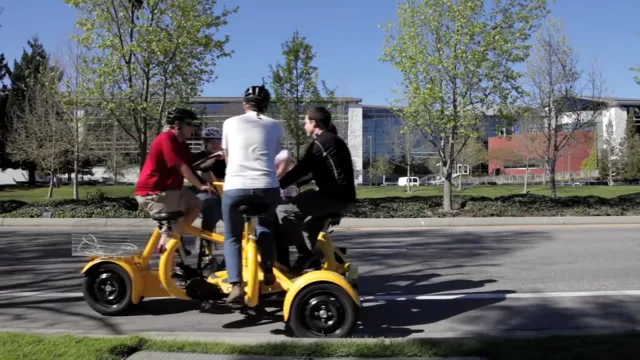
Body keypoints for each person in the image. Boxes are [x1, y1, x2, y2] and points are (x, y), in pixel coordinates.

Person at [221, 85, 284, 305]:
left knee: (231, 236)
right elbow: (275, 155)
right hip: (267, 187)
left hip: (236, 187)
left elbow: (228, 158)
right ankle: (268, 270)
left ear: (244, 104)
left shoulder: (229, 123)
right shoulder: (274, 125)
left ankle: (236, 285)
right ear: (266, 105)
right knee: (265, 225)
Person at [277, 107, 356, 271]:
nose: (304, 126)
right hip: (343, 197)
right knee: (309, 226)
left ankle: (306, 255)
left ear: (314, 123)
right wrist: (297, 184)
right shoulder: (332, 141)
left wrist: (277, 185)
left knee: (282, 210)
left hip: (333, 197)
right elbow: (315, 171)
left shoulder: (321, 143)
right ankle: (313, 262)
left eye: (305, 122)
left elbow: (301, 169)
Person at [135, 108, 213, 250]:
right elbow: (181, 166)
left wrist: (212, 155)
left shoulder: (181, 143)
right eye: (190, 124)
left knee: (196, 204)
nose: (193, 129)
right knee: (172, 234)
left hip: (174, 190)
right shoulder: (167, 138)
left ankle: (174, 237)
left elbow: (192, 164)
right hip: (156, 192)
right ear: (178, 124)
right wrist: (200, 186)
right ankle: (170, 261)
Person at [190, 126, 226, 263]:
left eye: (218, 142)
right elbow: (198, 171)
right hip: (203, 193)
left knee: (234, 220)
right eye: (213, 142)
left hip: (222, 194)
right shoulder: (199, 157)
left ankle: (230, 257)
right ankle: (206, 246)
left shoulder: (224, 158)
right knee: (210, 206)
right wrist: (212, 160)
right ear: (205, 143)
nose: (216, 145)